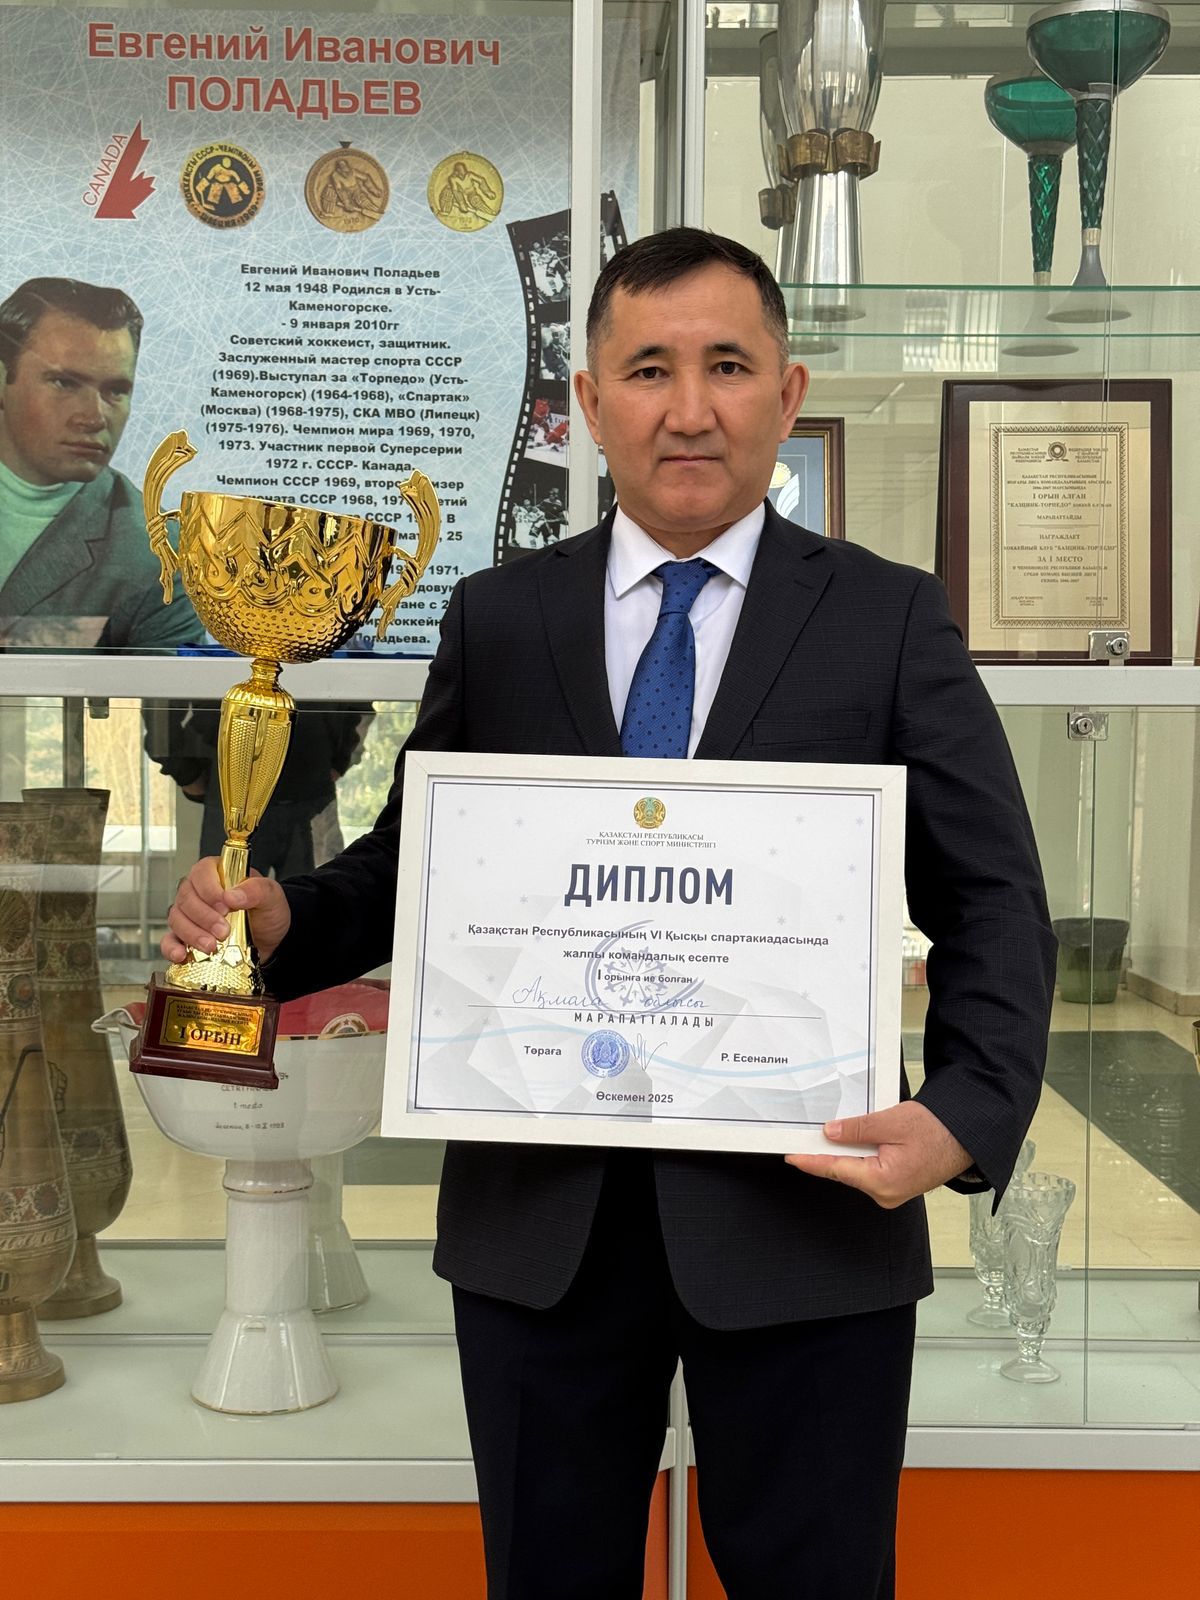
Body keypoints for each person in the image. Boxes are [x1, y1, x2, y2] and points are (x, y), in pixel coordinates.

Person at [165, 228, 1057, 1598]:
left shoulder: (886, 619)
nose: (688, 408)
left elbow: (992, 895)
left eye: (727, 366)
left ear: (787, 392)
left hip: (808, 1221)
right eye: (648, 369)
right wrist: (284, 921)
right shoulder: (502, 617)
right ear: (588, 402)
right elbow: (422, 864)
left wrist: (965, 1113)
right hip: (544, 1230)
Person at [0, 276, 201, 650]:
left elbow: (160, 690)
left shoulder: (159, 553)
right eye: (64, 383)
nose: (94, 418)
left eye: (116, 391)